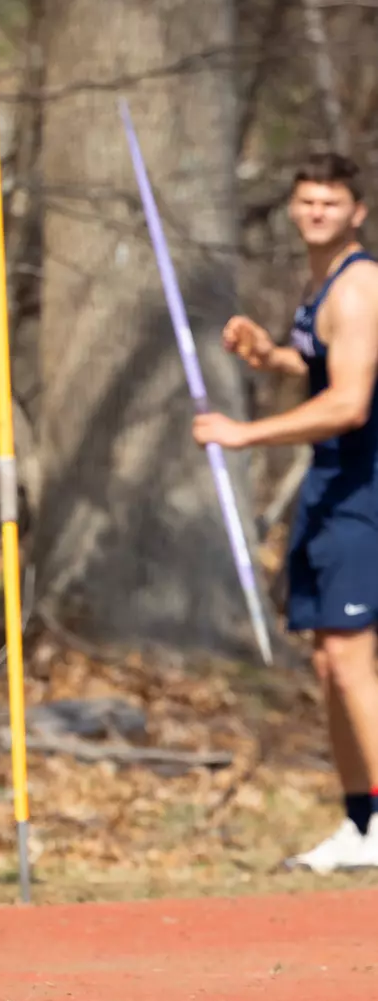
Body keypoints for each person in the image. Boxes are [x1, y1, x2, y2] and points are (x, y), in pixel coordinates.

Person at [194, 152, 378, 873]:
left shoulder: (360, 286)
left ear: (355, 212)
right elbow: (325, 366)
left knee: (352, 661)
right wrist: (271, 355)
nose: (316, 213)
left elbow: (350, 402)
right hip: (332, 490)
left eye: (330, 203)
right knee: (332, 666)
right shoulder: (322, 283)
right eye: (306, 202)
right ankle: (359, 822)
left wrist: (245, 434)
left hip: (364, 490)